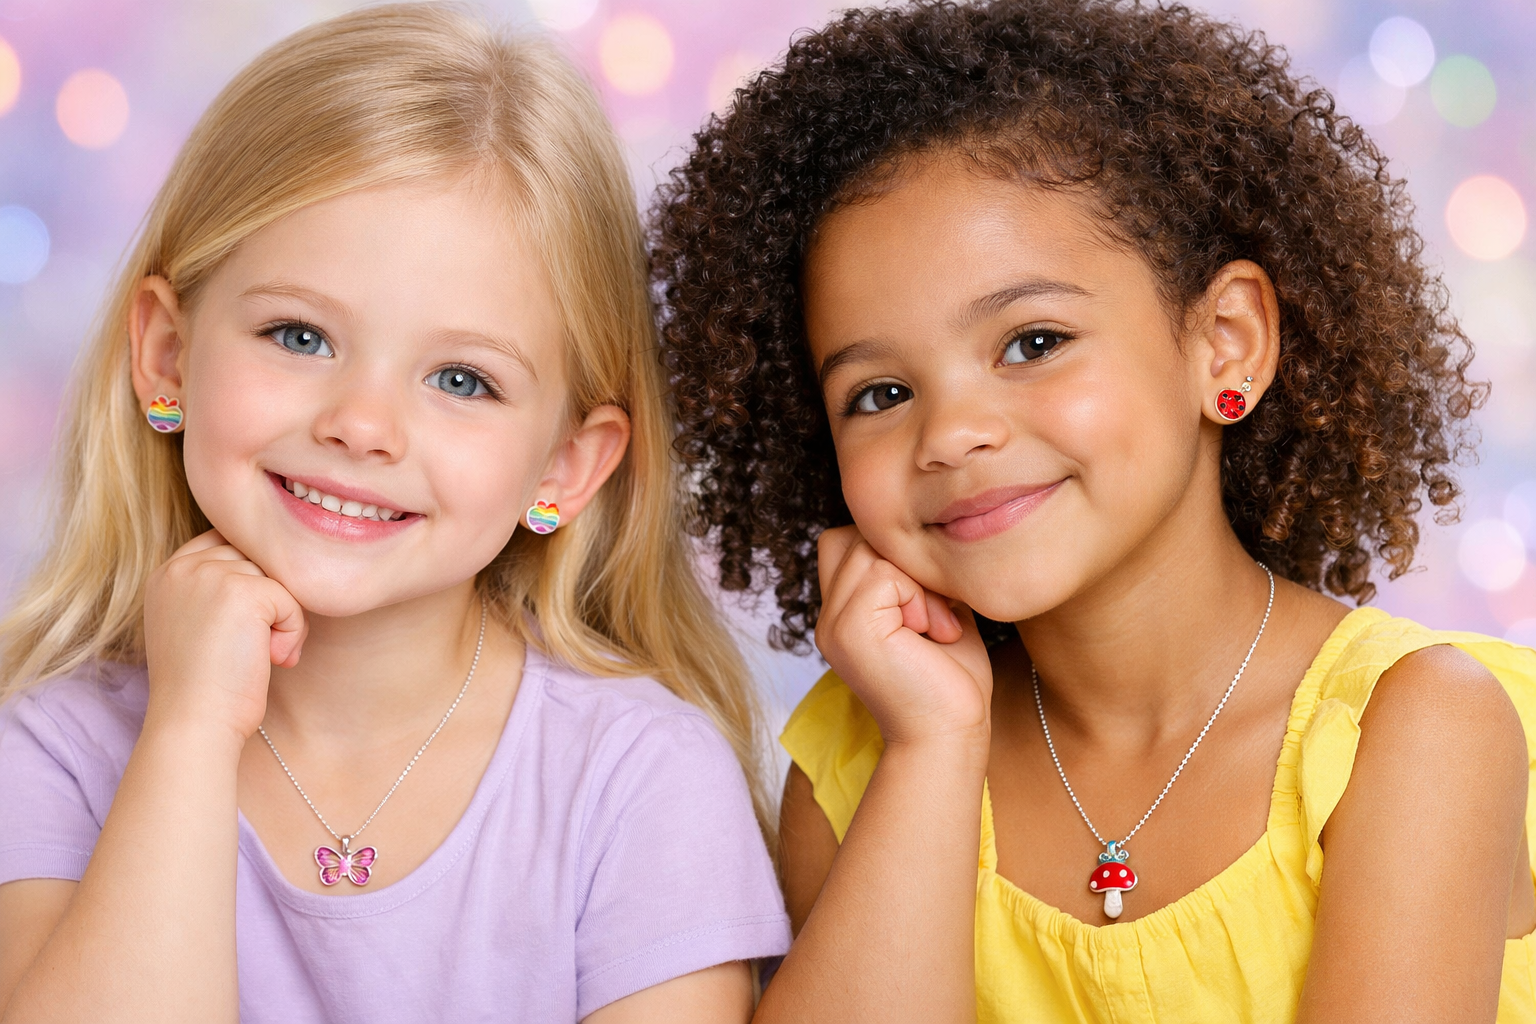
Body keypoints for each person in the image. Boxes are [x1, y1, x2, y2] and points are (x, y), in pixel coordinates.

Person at [651, 1, 1536, 1020]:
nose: (951, 433)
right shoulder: (861, 773)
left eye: (1032, 342)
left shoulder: (1416, 730)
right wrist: (936, 747)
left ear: (1227, 343)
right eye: (880, 395)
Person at [0, 7, 788, 1022]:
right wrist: (191, 732)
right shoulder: (58, 748)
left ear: (565, 464)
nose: (364, 425)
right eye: (300, 334)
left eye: (462, 378)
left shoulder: (639, 782)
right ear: (166, 355)